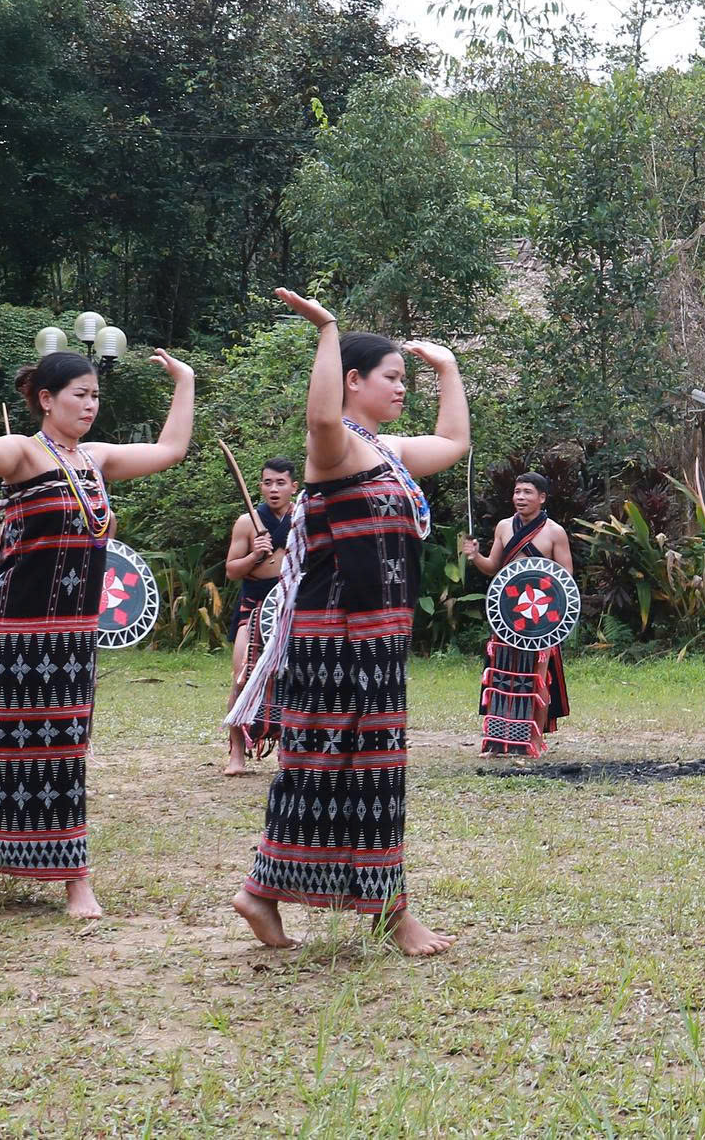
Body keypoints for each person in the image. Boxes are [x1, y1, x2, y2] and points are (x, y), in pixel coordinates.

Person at [230, 292, 467, 955]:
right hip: (336, 637)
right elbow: (319, 414)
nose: (400, 386)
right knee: (347, 766)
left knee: (345, 768)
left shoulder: (384, 450)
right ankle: (388, 912)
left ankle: (263, 891)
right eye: (390, 376)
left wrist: (447, 369)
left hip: (375, 638)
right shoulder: (333, 451)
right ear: (353, 381)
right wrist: (328, 331)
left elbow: (453, 441)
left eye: (404, 377)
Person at [0, 327, 196, 920]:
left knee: (65, 749)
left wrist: (184, 384)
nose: (89, 405)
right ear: (47, 399)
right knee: (9, 747)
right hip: (18, 632)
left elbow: (171, 451)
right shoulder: (26, 453)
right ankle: (72, 879)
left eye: (95, 397)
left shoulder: (97, 459)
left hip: (74, 635)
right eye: (79, 394)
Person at [462, 471, 575, 759]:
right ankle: (496, 742)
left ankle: (531, 742)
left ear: (542, 498)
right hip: (508, 612)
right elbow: (493, 568)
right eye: (517, 492)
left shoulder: (554, 532)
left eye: (527, 492)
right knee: (501, 674)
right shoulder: (503, 527)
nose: (520, 497)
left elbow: (565, 578)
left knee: (536, 677)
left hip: (541, 615)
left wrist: (546, 602)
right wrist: (475, 556)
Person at [221, 457, 296, 775]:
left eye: (280, 483)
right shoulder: (246, 522)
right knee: (242, 677)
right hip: (254, 605)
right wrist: (255, 554)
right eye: (268, 482)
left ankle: (290, 753)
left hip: (292, 604)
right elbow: (231, 570)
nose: (274, 489)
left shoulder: (303, 518)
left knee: (298, 681)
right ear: (260, 485)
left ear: (294, 486)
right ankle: (236, 754)